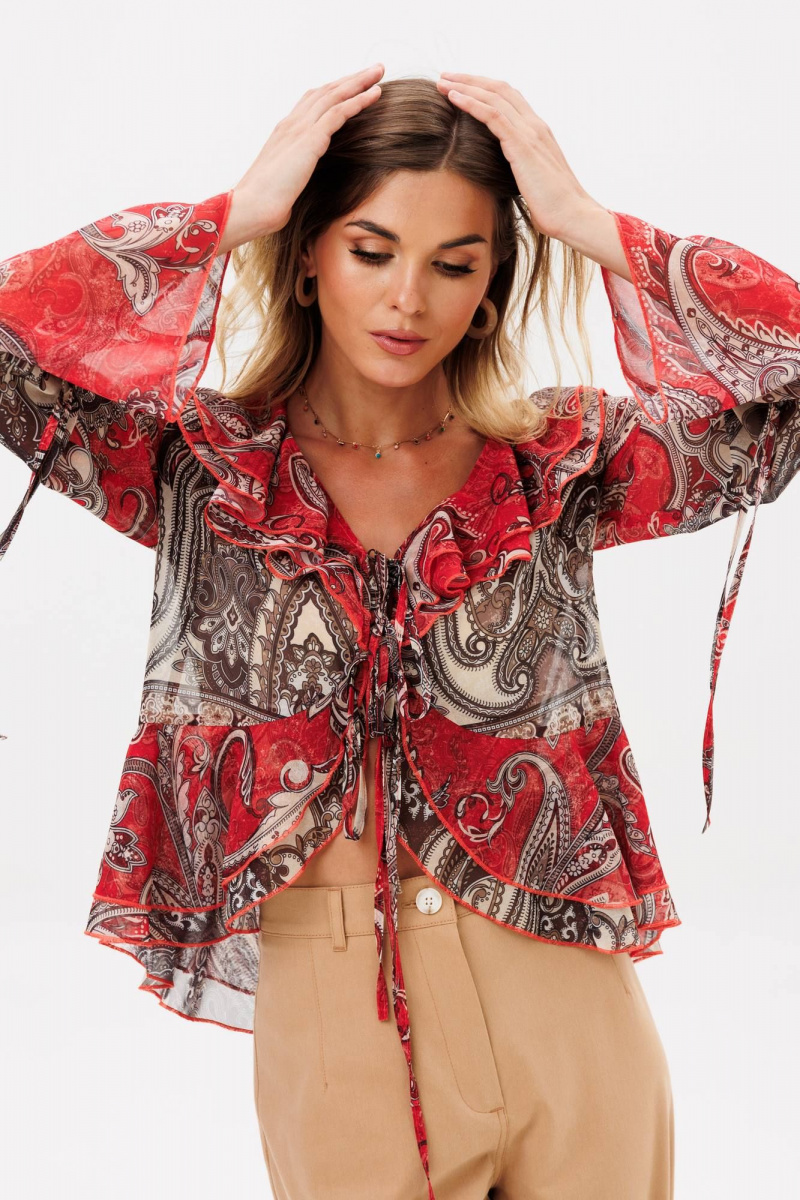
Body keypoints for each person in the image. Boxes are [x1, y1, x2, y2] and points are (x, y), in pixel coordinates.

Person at [0, 65, 798, 1200]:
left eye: (454, 264)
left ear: (491, 288)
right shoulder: (198, 467)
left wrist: (587, 224)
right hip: (337, 1020)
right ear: (309, 257)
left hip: (567, 998)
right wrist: (233, 215)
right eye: (371, 250)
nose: (407, 299)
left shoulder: (560, 465)